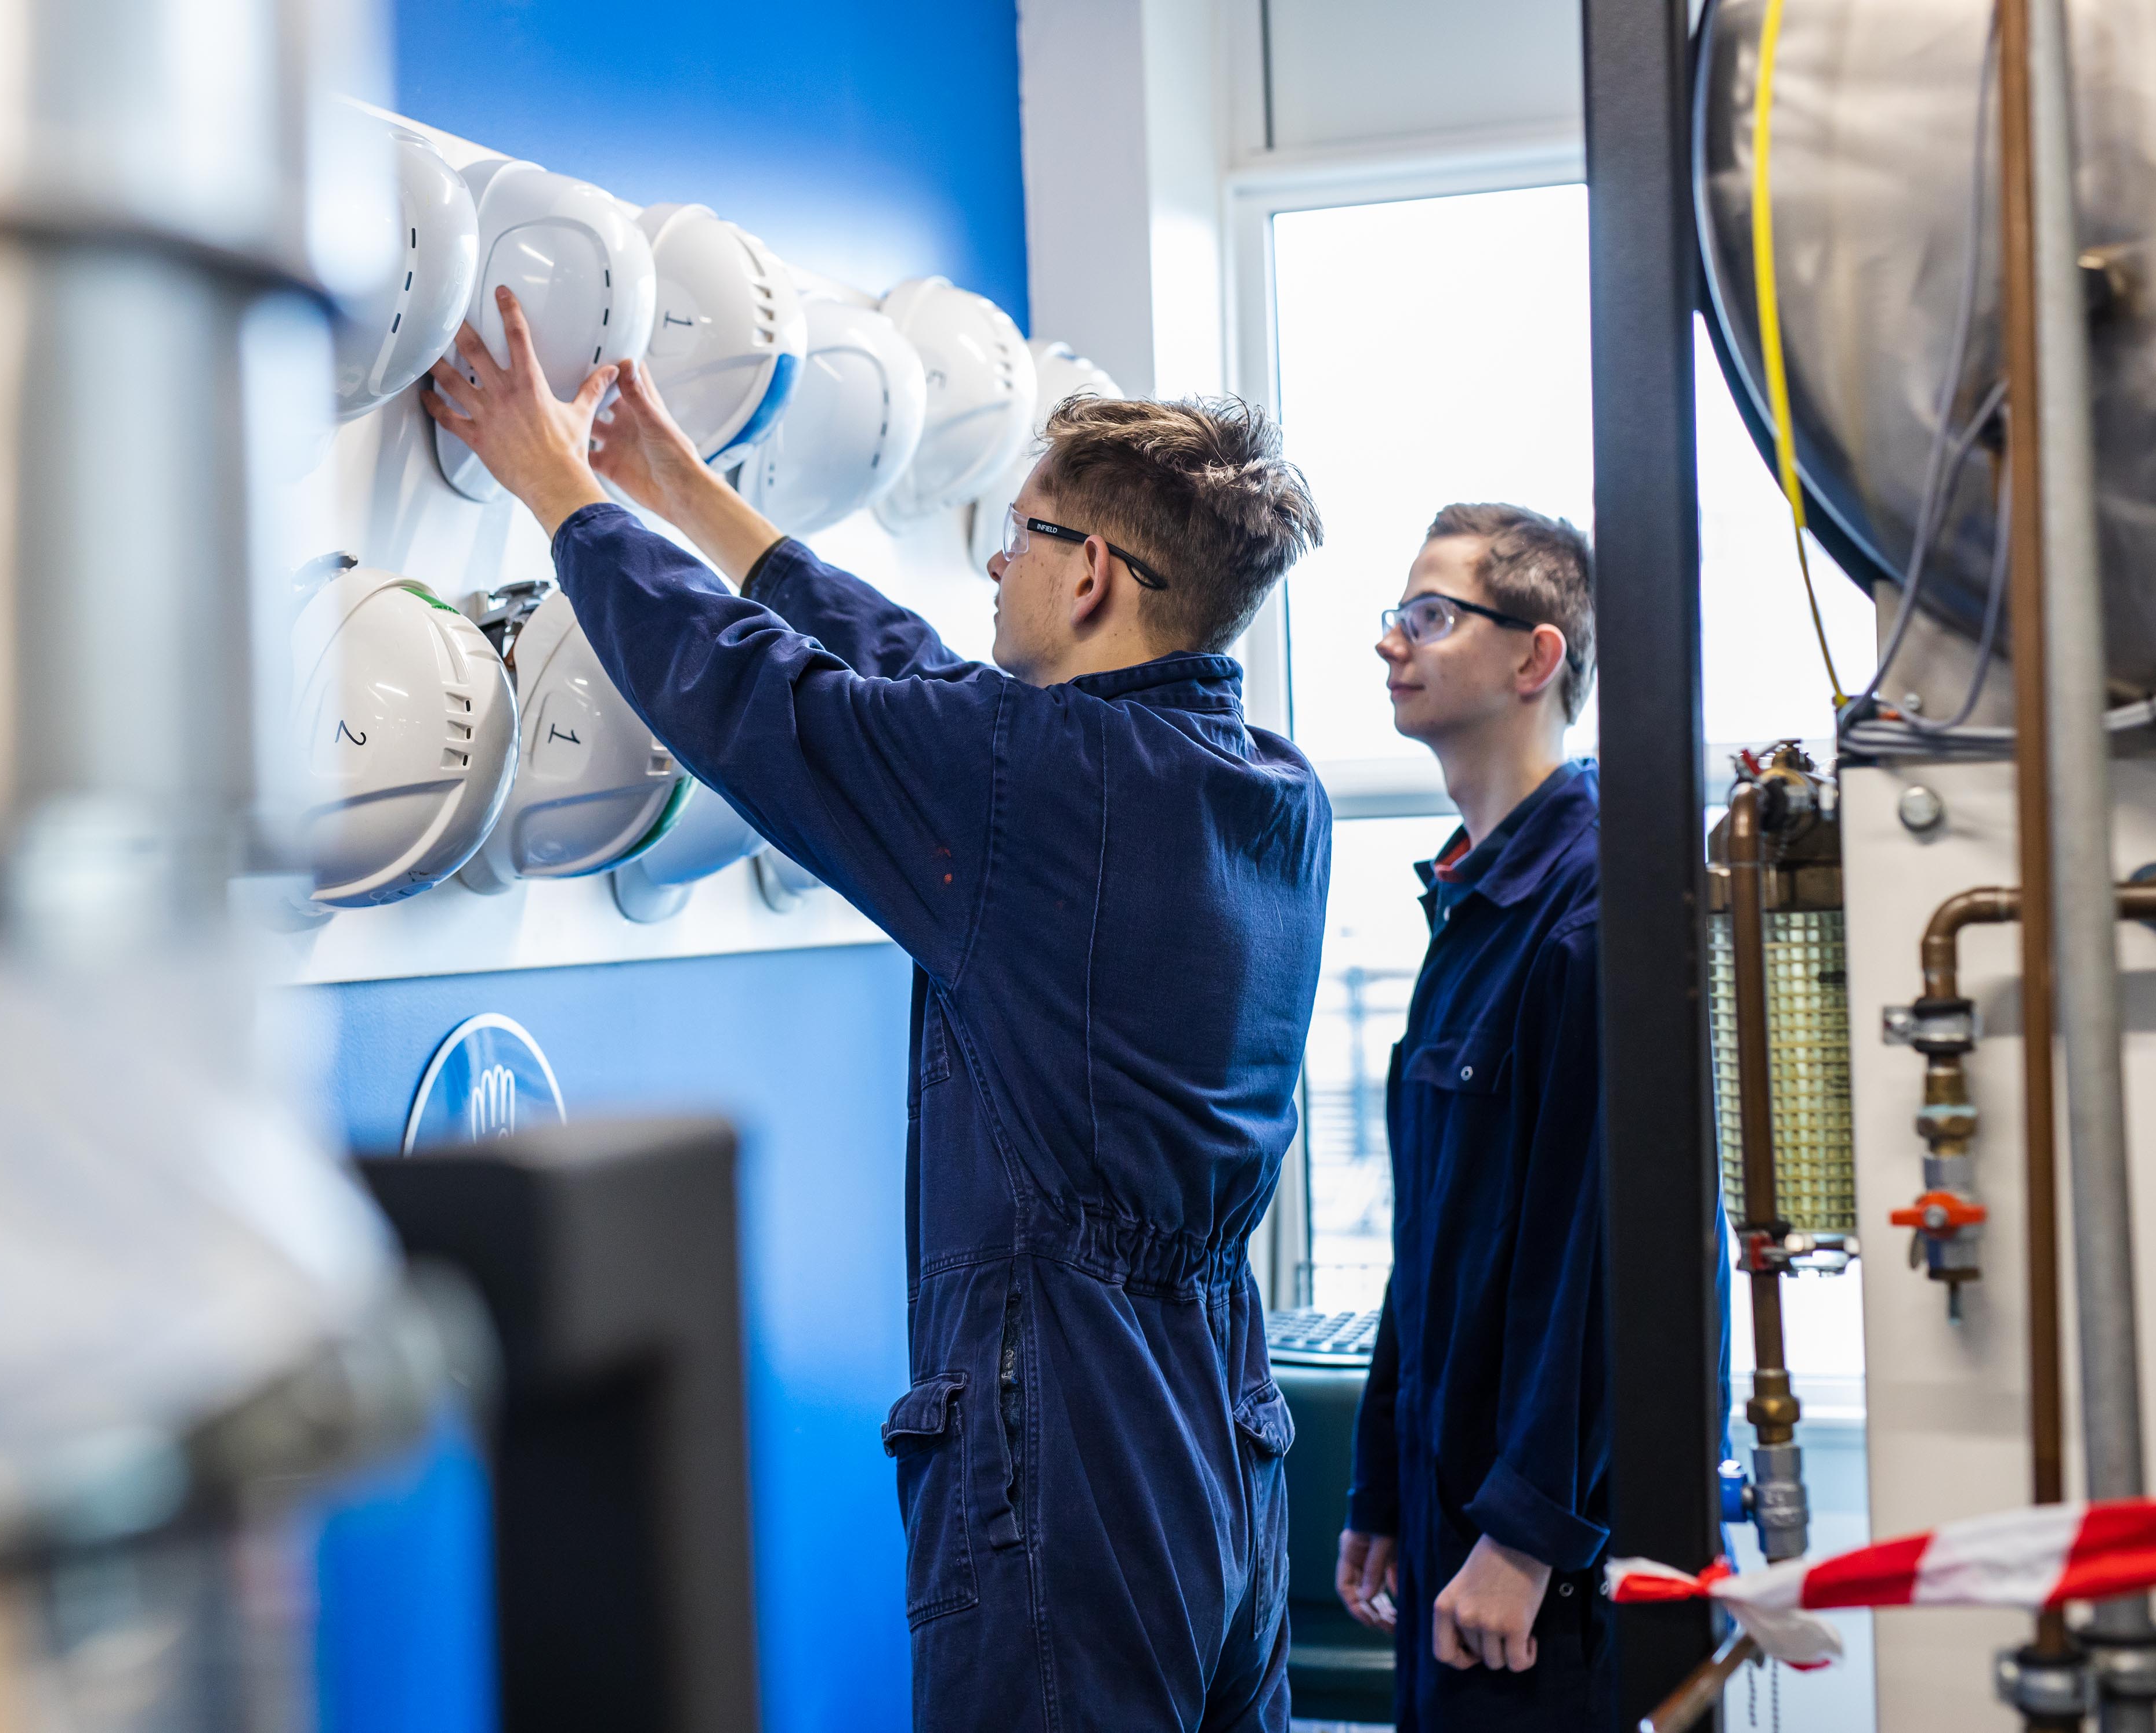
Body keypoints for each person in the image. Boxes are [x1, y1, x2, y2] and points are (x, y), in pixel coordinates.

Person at [426, 291, 1327, 1731]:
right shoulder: (1265, 791)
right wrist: (692, 498)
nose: (991, 555)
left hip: (1071, 1435)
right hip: (1223, 1428)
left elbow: (751, 696)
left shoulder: (1026, 789)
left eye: (1021, 531)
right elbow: (922, 681)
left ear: (1088, 572)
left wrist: (559, 487)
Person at [1333, 503, 1613, 1730]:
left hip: (1541, 1571)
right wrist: (1380, 1492)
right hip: (1452, 1522)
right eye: (1396, 616)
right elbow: (1430, 1240)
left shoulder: (1590, 910)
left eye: (1430, 616)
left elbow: (1605, 1257)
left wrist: (1527, 1535)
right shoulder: (1471, 906)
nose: (1393, 644)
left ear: (1533, 659)